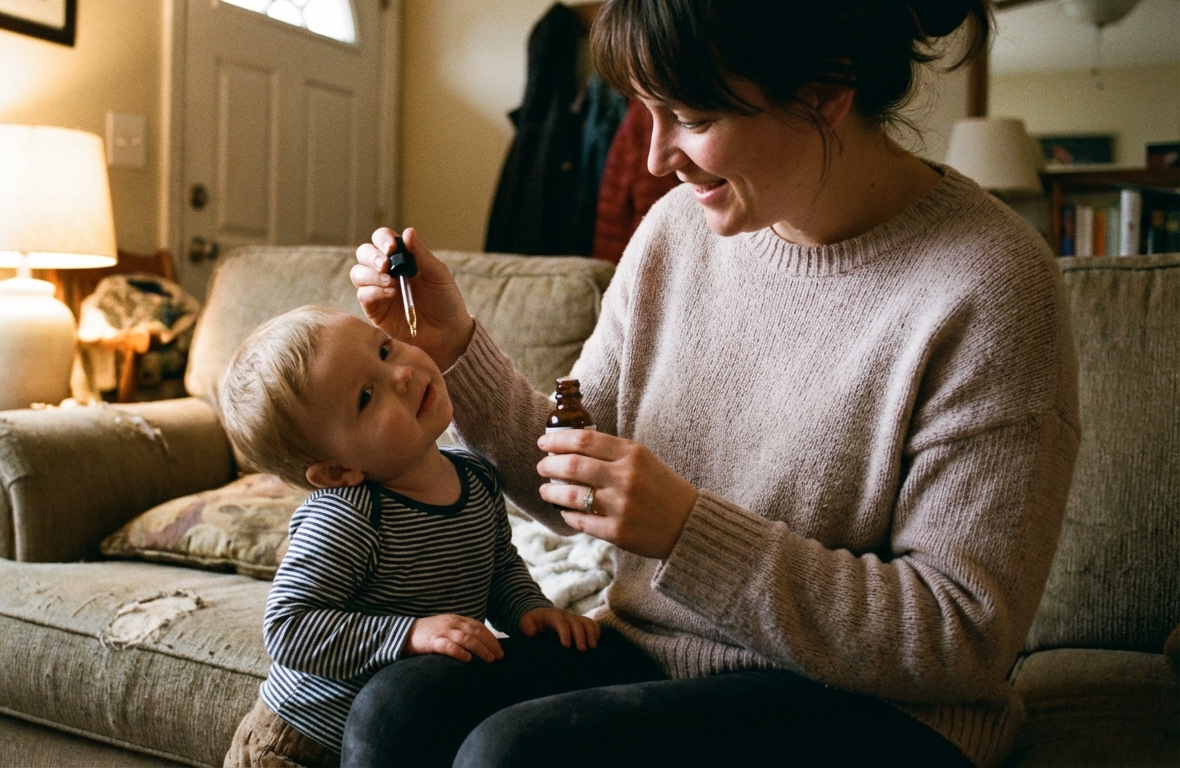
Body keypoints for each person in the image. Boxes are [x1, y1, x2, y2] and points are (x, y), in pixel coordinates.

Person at [344, 0, 1080, 765]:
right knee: (397, 710)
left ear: (827, 92)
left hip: (880, 710)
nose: (658, 156)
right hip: (657, 656)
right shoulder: (675, 232)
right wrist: (453, 347)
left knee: (518, 755)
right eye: (645, 111)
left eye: (691, 117)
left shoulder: (992, 282)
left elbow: (959, 635)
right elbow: (571, 485)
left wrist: (689, 532)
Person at [215, 305, 601, 767]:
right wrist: (409, 633)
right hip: (303, 740)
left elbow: (497, 563)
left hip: (406, 729)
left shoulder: (476, 477)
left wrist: (529, 608)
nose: (399, 374)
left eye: (383, 348)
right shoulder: (348, 517)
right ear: (338, 470)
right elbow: (288, 627)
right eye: (364, 396)